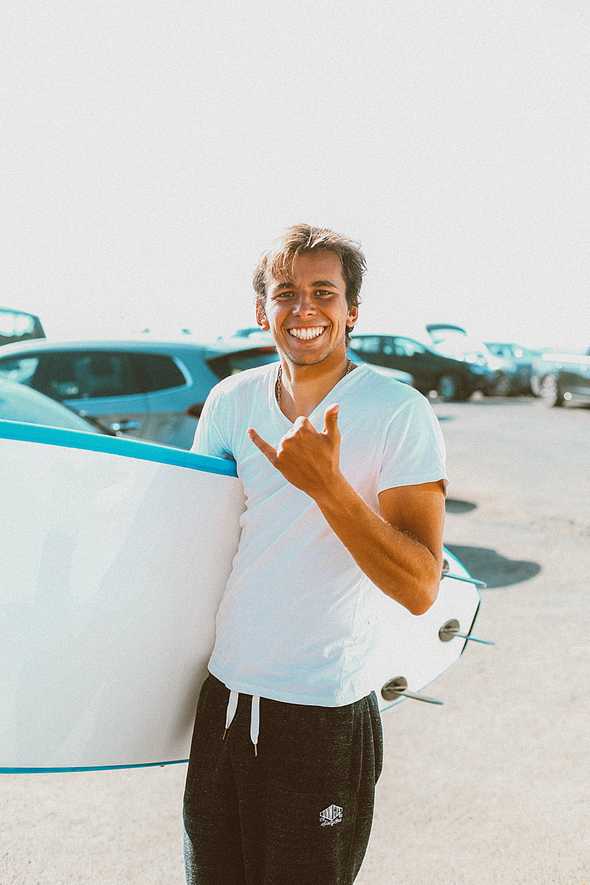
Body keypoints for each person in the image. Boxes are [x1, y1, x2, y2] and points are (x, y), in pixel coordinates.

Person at [182, 223, 448, 884]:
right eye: (285, 292)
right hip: (225, 700)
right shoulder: (228, 402)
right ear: (261, 309)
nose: (303, 309)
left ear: (351, 310)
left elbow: (420, 584)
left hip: (322, 711)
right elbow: (193, 547)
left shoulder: (398, 412)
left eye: (323, 292)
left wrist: (329, 487)